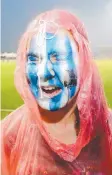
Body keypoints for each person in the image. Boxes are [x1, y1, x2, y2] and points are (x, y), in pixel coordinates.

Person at [1, 9, 112, 175]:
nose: (43, 73)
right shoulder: (8, 135)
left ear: (83, 61)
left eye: (58, 57)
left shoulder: (108, 131)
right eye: (34, 59)